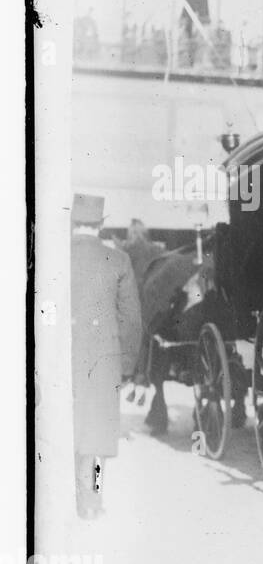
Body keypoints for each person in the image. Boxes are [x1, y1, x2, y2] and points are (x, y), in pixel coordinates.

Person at [70, 194, 142, 519]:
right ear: (101, 223)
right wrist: (126, 366)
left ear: (74, 222)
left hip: (65, 359)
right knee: (98, 437)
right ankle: (94, 497)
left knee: (69, 430)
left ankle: (73, 493)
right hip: (105, 361)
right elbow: (131, 321)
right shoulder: (119, 260)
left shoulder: (56, 256)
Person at [122, 218, 164, 287]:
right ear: (144, 232)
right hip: (150, 285)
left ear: (129, 234)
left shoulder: (126, 249)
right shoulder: (154, 248)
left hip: (132, 287)